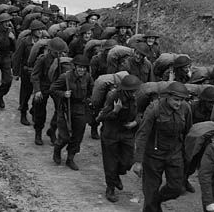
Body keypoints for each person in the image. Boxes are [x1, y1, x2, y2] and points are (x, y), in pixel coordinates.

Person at [133, 81, 193, 212]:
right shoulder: (154, 108)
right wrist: (138, 161)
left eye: (181, 100)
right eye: (176, 99)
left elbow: (188, 132)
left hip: (174, 154)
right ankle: (152, 205)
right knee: (150, 191)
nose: (179, 103)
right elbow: (142, 134)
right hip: (153, 155)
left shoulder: (185, 108)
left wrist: (186, 155)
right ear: (168, 96)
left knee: (177, 188)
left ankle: (156, 201)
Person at [96, 74, 142, 202]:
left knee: (127, 161)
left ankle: (116, 176)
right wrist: (115, 111)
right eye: (131, 91)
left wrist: (135, 123)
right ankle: (110, 188)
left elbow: (141, 113)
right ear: (125, 90)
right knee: (110, 162)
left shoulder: (136, 97)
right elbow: (101, 117)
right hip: (111, 133)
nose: (134, 93)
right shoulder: (113, 96)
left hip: (127, 133)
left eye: (135, 91)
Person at [50, 54, 94, 171]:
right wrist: (63, 94)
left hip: (80, 109)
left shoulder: (88, 78)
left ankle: (70, 158)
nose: (82, 70)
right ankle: (57, 149)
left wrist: (89, 100)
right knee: (64, 136)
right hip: (66, 108)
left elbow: (91, 91)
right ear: (75, 67)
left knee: (77, 136)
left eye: (84, 68)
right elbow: (53, 89)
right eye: (79, 67)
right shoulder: (65, 77)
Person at [31, 37, 68, 146]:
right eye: (57, 52)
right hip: (44, 86)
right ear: (50, 50)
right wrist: (37, 90)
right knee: (40, 110)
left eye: (61, 52)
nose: (59, 54)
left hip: (56, 87)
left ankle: (52, 130)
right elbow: (35, 75)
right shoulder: (42, 59)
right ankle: (38, 133)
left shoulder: (63, 60)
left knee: (60, 109)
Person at [12, 20, 47, 126]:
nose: (40, 31)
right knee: (25, 94)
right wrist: (16, 72)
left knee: (38, 93)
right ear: (32, 31)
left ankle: (34, 110)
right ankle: (23, 113)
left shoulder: (44, 42)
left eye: (41, 29)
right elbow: (17, 57)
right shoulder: (25, 42)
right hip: (26, 71)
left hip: (39, 73)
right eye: (37, 30)